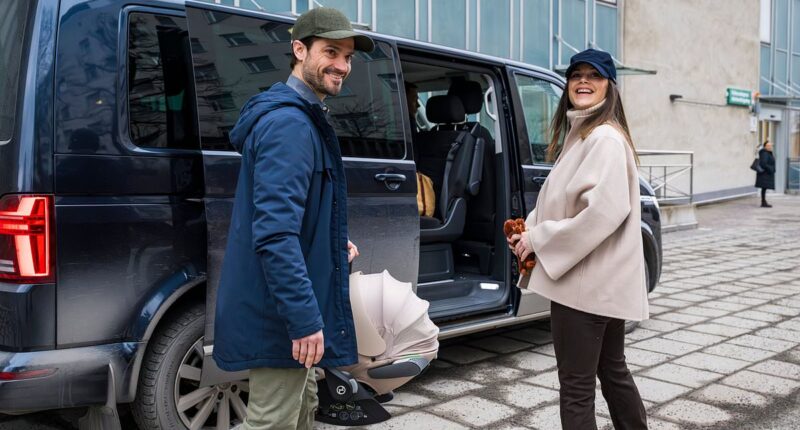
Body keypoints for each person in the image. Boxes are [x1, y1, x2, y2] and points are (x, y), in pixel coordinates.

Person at [212, 7, 373, 430]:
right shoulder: (290, 125)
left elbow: (295, 219)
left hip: (285, 309)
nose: (342, 65)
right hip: (280, 316)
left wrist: (330, 243)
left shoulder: (301, 118)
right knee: (273, 423)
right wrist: (304, 321)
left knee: (299, 417)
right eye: (332, 51)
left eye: (349, 56)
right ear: (299, 50)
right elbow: (276, 234)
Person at [508, 48, 649, 430]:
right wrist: (529, 233)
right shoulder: (585, 135)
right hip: (599, 283)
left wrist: (539, 239)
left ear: (609, 87)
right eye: (576, 75)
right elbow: (564, 200)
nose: (583, 81)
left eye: (595, 75)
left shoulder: (601, 138)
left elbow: (601, 213)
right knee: (613, 372)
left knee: (576, 388)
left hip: (584, 286)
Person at [756, 139, 776, 207]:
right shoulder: (764, 153)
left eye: (770, 146)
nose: (770, 147)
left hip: (765, 174)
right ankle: (763, 202)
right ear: (765, 146)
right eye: (768, 145)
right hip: (765, 174)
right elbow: (763, 164)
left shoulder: (767, 152)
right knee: (764, 188)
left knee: (764, 188)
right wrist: (771, 169)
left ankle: (763, 202)